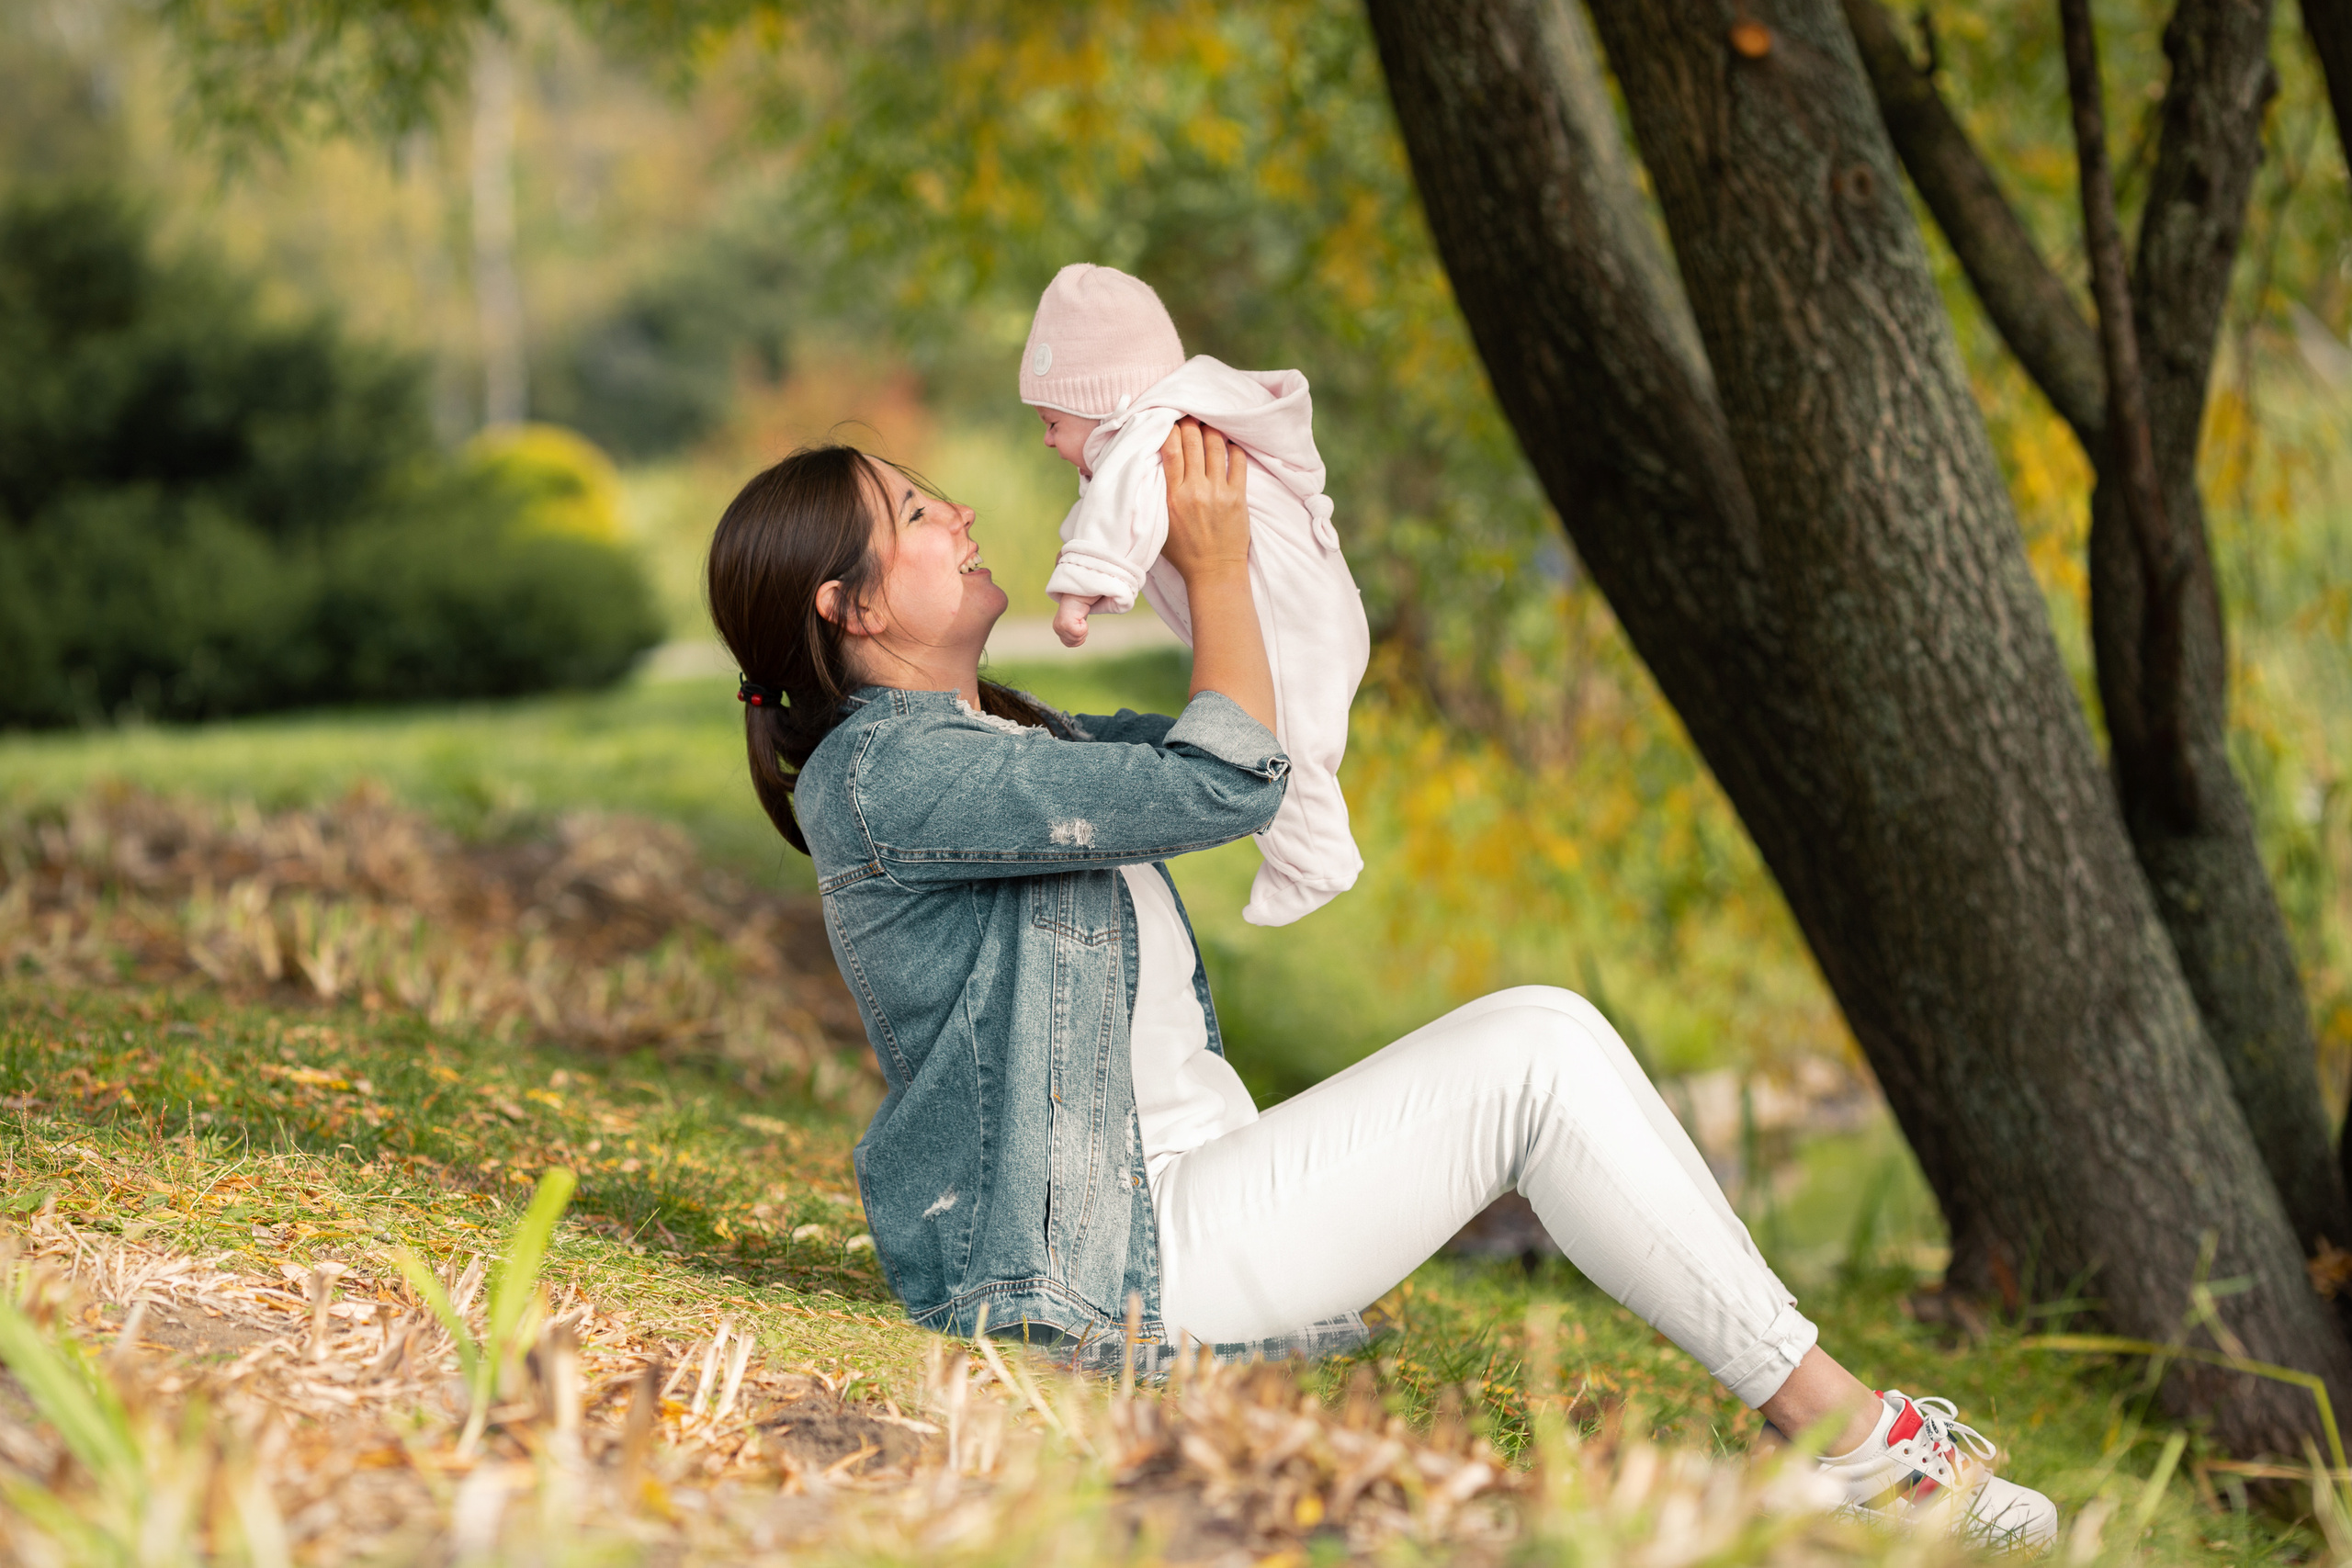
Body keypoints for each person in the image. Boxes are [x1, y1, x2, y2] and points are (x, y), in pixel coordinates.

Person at [704, 424, 2059, 1551]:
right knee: (1538, 1046)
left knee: (1541, 1040)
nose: (960, 514)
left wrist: (1219, 549)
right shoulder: (888, 773)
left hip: (1175, 1201)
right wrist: (1216, 562)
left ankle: (1843, 1454)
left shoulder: (1000, 734)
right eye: (918, 512)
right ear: (853, 603)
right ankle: (1865, 1450)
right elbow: (1216, 780)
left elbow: (1249, 743)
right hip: (1109, 1266)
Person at [1023, 262, 1368, 928]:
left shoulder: (1150, 438)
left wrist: (1078, 592)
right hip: (1321, 608)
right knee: (1300, 734)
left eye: (1050, 419)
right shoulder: (1164, 430)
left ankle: (1315, 860)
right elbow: (1116, 514)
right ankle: (1308, 849)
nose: (1045, 439)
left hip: (1294, 618)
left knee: (1283, 737)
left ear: (1104, 404)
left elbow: (1116, 519)